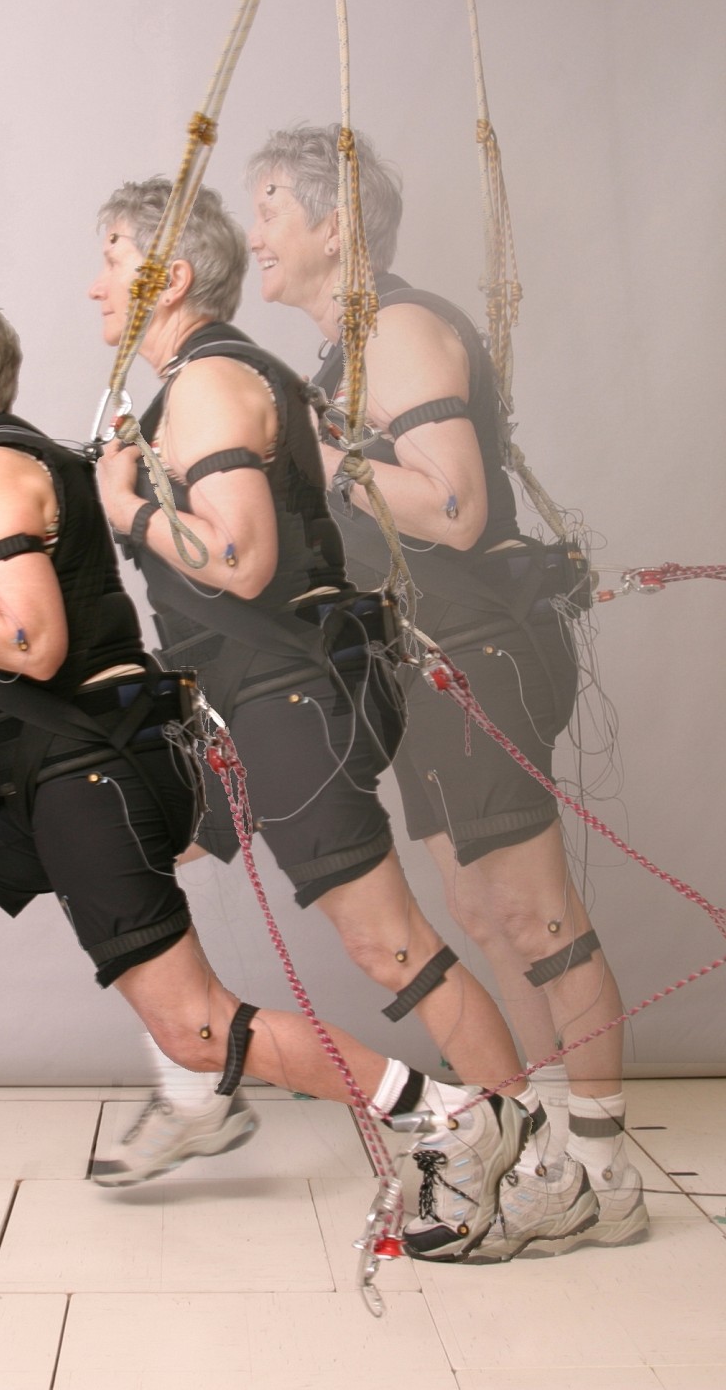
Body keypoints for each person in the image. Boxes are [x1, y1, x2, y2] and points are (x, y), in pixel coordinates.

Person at [0, 277, 527, 1265]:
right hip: (23, 775)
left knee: (197, 1029)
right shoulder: (20, 459)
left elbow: (33, 640)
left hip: (80, 774)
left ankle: (458, 1116)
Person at [91, 183, 599, 1261]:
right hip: (250, 703)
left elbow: (241, 559)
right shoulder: (214, 381)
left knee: (395, 946)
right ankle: (197, 1076)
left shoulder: (210, 382)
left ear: (169, 279)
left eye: (113, 259)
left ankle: (530, 1160)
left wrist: (124, 508)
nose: (95, 285)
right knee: (117, 843)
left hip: (287, 704)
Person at [241, 124, 647, 1254]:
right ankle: (550, 1157)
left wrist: (314, 455)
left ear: (336, 226)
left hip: (471, 655)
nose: (253, 232)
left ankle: (605, 1177)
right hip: (417, 664)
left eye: (270, 206)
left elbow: (456, 507)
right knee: (482, 914)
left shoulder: (400, 329)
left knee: (536, 916)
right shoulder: (343, 355)